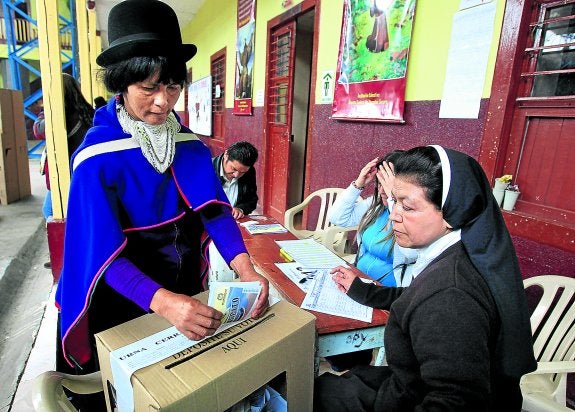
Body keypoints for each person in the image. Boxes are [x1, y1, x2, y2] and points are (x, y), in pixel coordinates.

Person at [55, 1, 269, 408]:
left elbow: (212, 211)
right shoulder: (95, 159)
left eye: (172, 86)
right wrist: (164, 302)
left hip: (179, 283)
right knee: (129, 393)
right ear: (122, 84)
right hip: (119, 293)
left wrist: (246, 268)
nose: (162, 102)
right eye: (148, 88)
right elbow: (101, 255)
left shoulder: (185, 143)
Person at [315, 145, 537, 411]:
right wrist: (362, 290)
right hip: (410, 386)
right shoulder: (456, 254)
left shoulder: (451, 295)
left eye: (407, 207)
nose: (394, 215)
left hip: (413, 398)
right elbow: (416, 296)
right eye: (393, 201)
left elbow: (456, 402)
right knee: (325, 388)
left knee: (314, 394)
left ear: (450, 211)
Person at [328, 151, 416, 287]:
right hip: (359, 280)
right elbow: (337, 218)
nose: (382, 191)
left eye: (388, 185)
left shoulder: (414, 215)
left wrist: (394, 200)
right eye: (379, 183)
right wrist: (358, 184)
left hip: (386, 293)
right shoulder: (376, 205)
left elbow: (411, 252)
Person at [34, 74, 95, 221]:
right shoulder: (86, 111)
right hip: (83, 169)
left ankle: (63, 241)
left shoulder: (58, 115)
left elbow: (38, 131)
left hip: (65, 172)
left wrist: (45, 112)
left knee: (50, 210)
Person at [212, 141, 259, 219]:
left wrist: (240, 209)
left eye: (242, 172)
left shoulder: (249, 172)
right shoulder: (206, 169)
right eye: (233, 168)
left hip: (235, 223)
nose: (236, 175)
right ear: (226, 155)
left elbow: (251, 200)